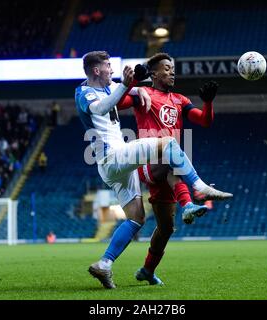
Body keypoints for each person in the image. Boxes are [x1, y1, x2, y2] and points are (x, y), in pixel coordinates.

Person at [75, 51, 232, 289]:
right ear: (96, 70)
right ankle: (198, 188)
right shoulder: (84, 91)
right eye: (108, 66)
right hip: (111, 157)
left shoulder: (113, 87)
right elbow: (100, 109)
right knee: (168, 143)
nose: (112, 70)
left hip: (120, 164)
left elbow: (130, 90)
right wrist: (131, 87)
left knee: (137, 219)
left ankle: (104, 264)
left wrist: (137, 87)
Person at [117, 52, 223, 285]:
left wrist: (208, 102)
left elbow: (204, 121)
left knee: (166, 228)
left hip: (170, 167)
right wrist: (134, 83)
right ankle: (188, 203)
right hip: (146, 163)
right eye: (166, 68)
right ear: (153, 73)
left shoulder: (180, 100)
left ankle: (147, 270)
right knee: (170, 159)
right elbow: (118, 103)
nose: (171, 71)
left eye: (172, 68)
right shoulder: (143, 93)